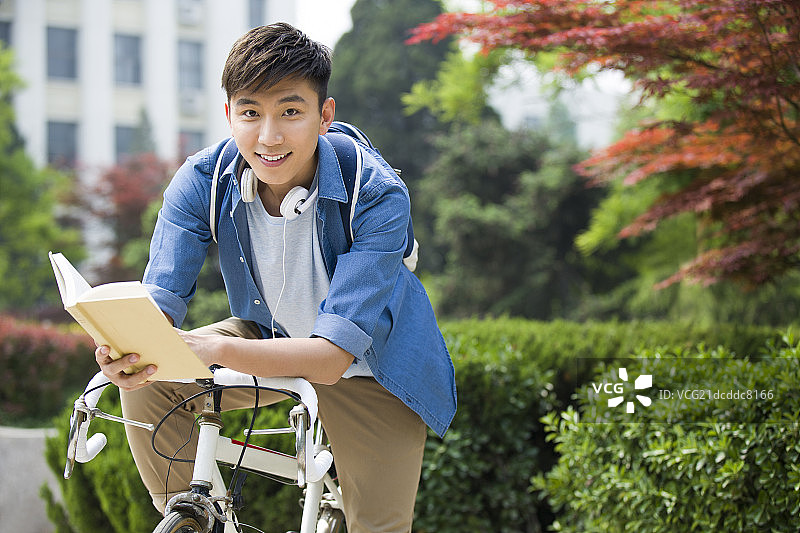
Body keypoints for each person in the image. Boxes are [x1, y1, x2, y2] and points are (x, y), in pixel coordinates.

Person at [94, 22, 456, 532]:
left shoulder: (376, 193)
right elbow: (161, 298)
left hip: (371, 367)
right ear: (228, 115)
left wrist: (211, 350)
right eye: (250, 113)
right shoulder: (202, 182)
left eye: (290, 111)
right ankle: (195, 519)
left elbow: (331, 358)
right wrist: (127, 343)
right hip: (268, 337)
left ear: (324, 115)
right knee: (150, 377)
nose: (269, 137)